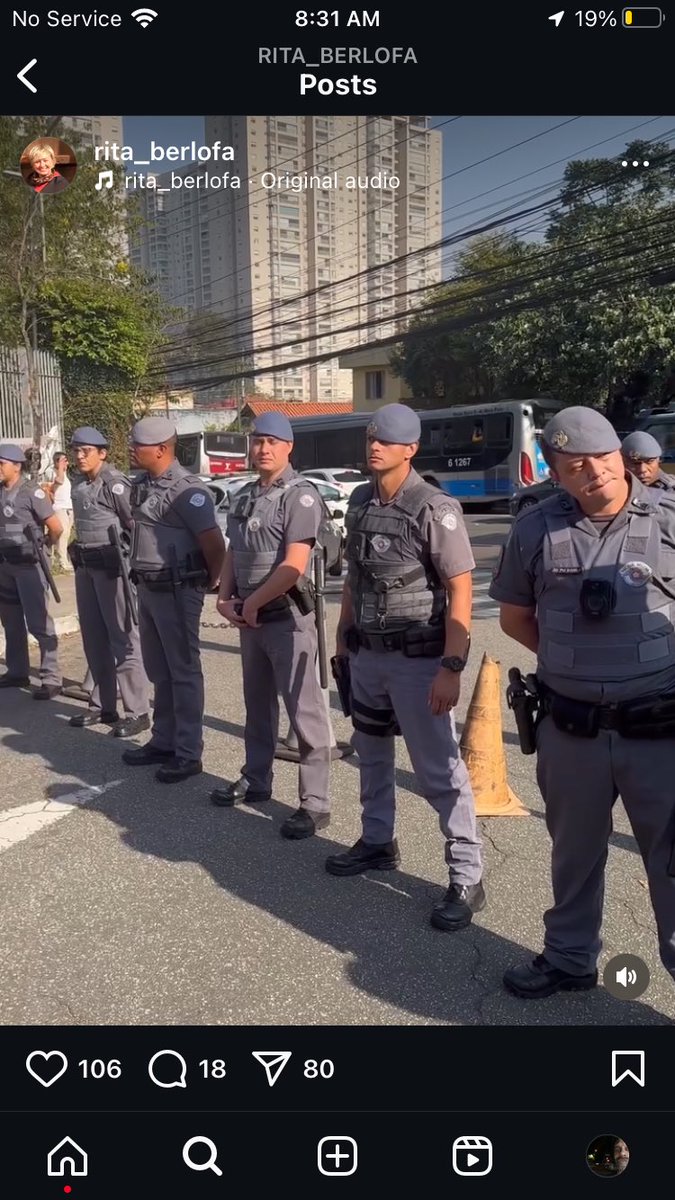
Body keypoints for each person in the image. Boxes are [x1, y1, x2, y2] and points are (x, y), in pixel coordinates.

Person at [490, 406, 675, 997]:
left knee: (672, 862)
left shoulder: (670, 521)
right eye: (574, 466)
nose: (591, 472)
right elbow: (517, 616)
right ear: (559, 475)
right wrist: (574, 663)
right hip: (572, 732)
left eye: (599, 458)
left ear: (621, 458)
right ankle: (569, 958)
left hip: (660, 731)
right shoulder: (535, 528)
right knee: (573, 854)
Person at [325, 403, 485, 931]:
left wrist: (452, 666)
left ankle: (466, 873)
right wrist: (344, 640)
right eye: (371, 438)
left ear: (410, 449)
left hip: (418, 661)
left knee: (439, 771)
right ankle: (377, 841)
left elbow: (460, 589)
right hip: (368, 655)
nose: (375, 446)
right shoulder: (361, 501)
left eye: (386, 441)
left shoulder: (433, 507)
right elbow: (354, 578)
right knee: (370, 755)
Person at [209, 411, 332, 839]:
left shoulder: (300, 496)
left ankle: (314, 803)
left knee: (305, 712)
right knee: (257, 705)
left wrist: (253, 603)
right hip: (251, 617)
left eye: (272, 442)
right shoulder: (244, 496)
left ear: (288, 447)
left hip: (287, 619)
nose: (262, 449)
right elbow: (232, 552)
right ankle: (256, 779)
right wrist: (225, 598)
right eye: (257, 441)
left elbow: (294, 566)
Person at [122, 417, 225, 782]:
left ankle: (187, 751)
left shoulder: (187, 490)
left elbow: (213, 543)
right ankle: (163, 740)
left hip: (179, 589)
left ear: (162, 449)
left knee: (183, 672)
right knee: (159, 670)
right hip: (148, 588)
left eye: (138, 445)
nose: (132, 450)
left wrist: (208, 581)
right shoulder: (143, 485)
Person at [68, 425, 150, 737]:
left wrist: (134, 565)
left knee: (124, 639)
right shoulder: (79, 484)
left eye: (85, 451)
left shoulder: (114, 483)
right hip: (86, 568)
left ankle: (138, 710)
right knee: (93, 637)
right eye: (76, 450)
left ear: (102, 453)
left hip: (113, 568)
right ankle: (103, 704)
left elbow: (135, 527)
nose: (79, 456)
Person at [0, 443, 63, 699]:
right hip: (5, 566)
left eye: (1, 463)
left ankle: (51, 678)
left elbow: (55, 527)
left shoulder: (31, 492)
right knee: (11, 623)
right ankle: (17, 671)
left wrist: (45, 545)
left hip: (29, 567)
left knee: (39, 623)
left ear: (16, 466)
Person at [43, 451, 74, 572]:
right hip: (59, 507)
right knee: (62, 534)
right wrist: (60, 467)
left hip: (68, 507)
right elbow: (58, 482)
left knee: (64, 535)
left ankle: (51, 552)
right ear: (57, 461)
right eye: (63, 460)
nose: (66, 463)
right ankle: (63, 562)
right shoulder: (52, 472)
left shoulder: (65, 474)